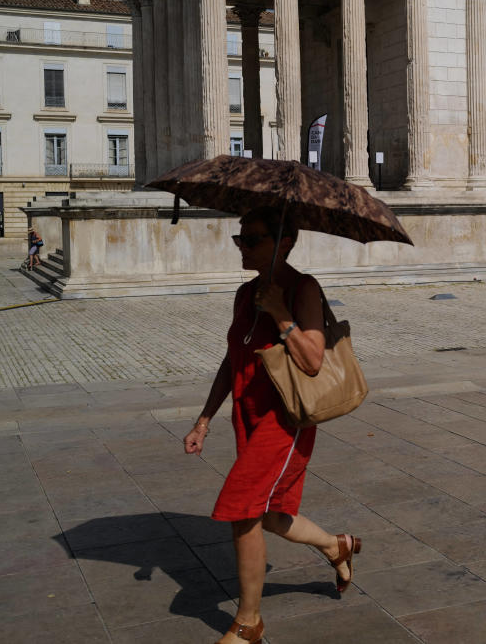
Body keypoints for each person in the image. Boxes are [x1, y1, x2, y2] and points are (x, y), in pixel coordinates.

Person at [183, 207, 359, 644]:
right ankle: (336, 546)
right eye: (239, 238)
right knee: (271, 514)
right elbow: (232, 359)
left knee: (241, 508)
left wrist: (282, 314)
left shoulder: (303, 288)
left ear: (285, 242)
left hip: (285, 418)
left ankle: (249, 622)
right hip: (248, 413)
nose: (242, 246)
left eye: (253, 238)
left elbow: (313, 360)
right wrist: (204, 418)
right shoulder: (245, 294)